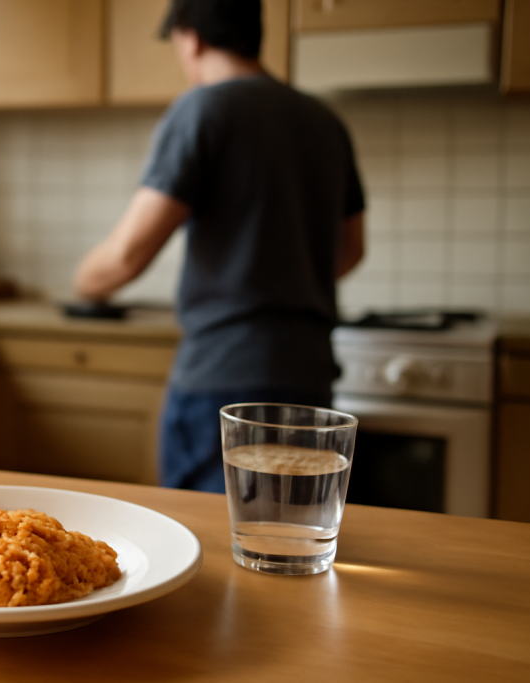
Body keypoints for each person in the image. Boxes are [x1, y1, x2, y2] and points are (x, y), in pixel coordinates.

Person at [73, 0, 365, 494]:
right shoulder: (323, 120)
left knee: (209, 540)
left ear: (191, 38)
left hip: (223, 378)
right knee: (285, 542)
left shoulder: (203, 107)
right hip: (307, 375)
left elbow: (126, 257)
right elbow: (351, 249)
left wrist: (83, 284)